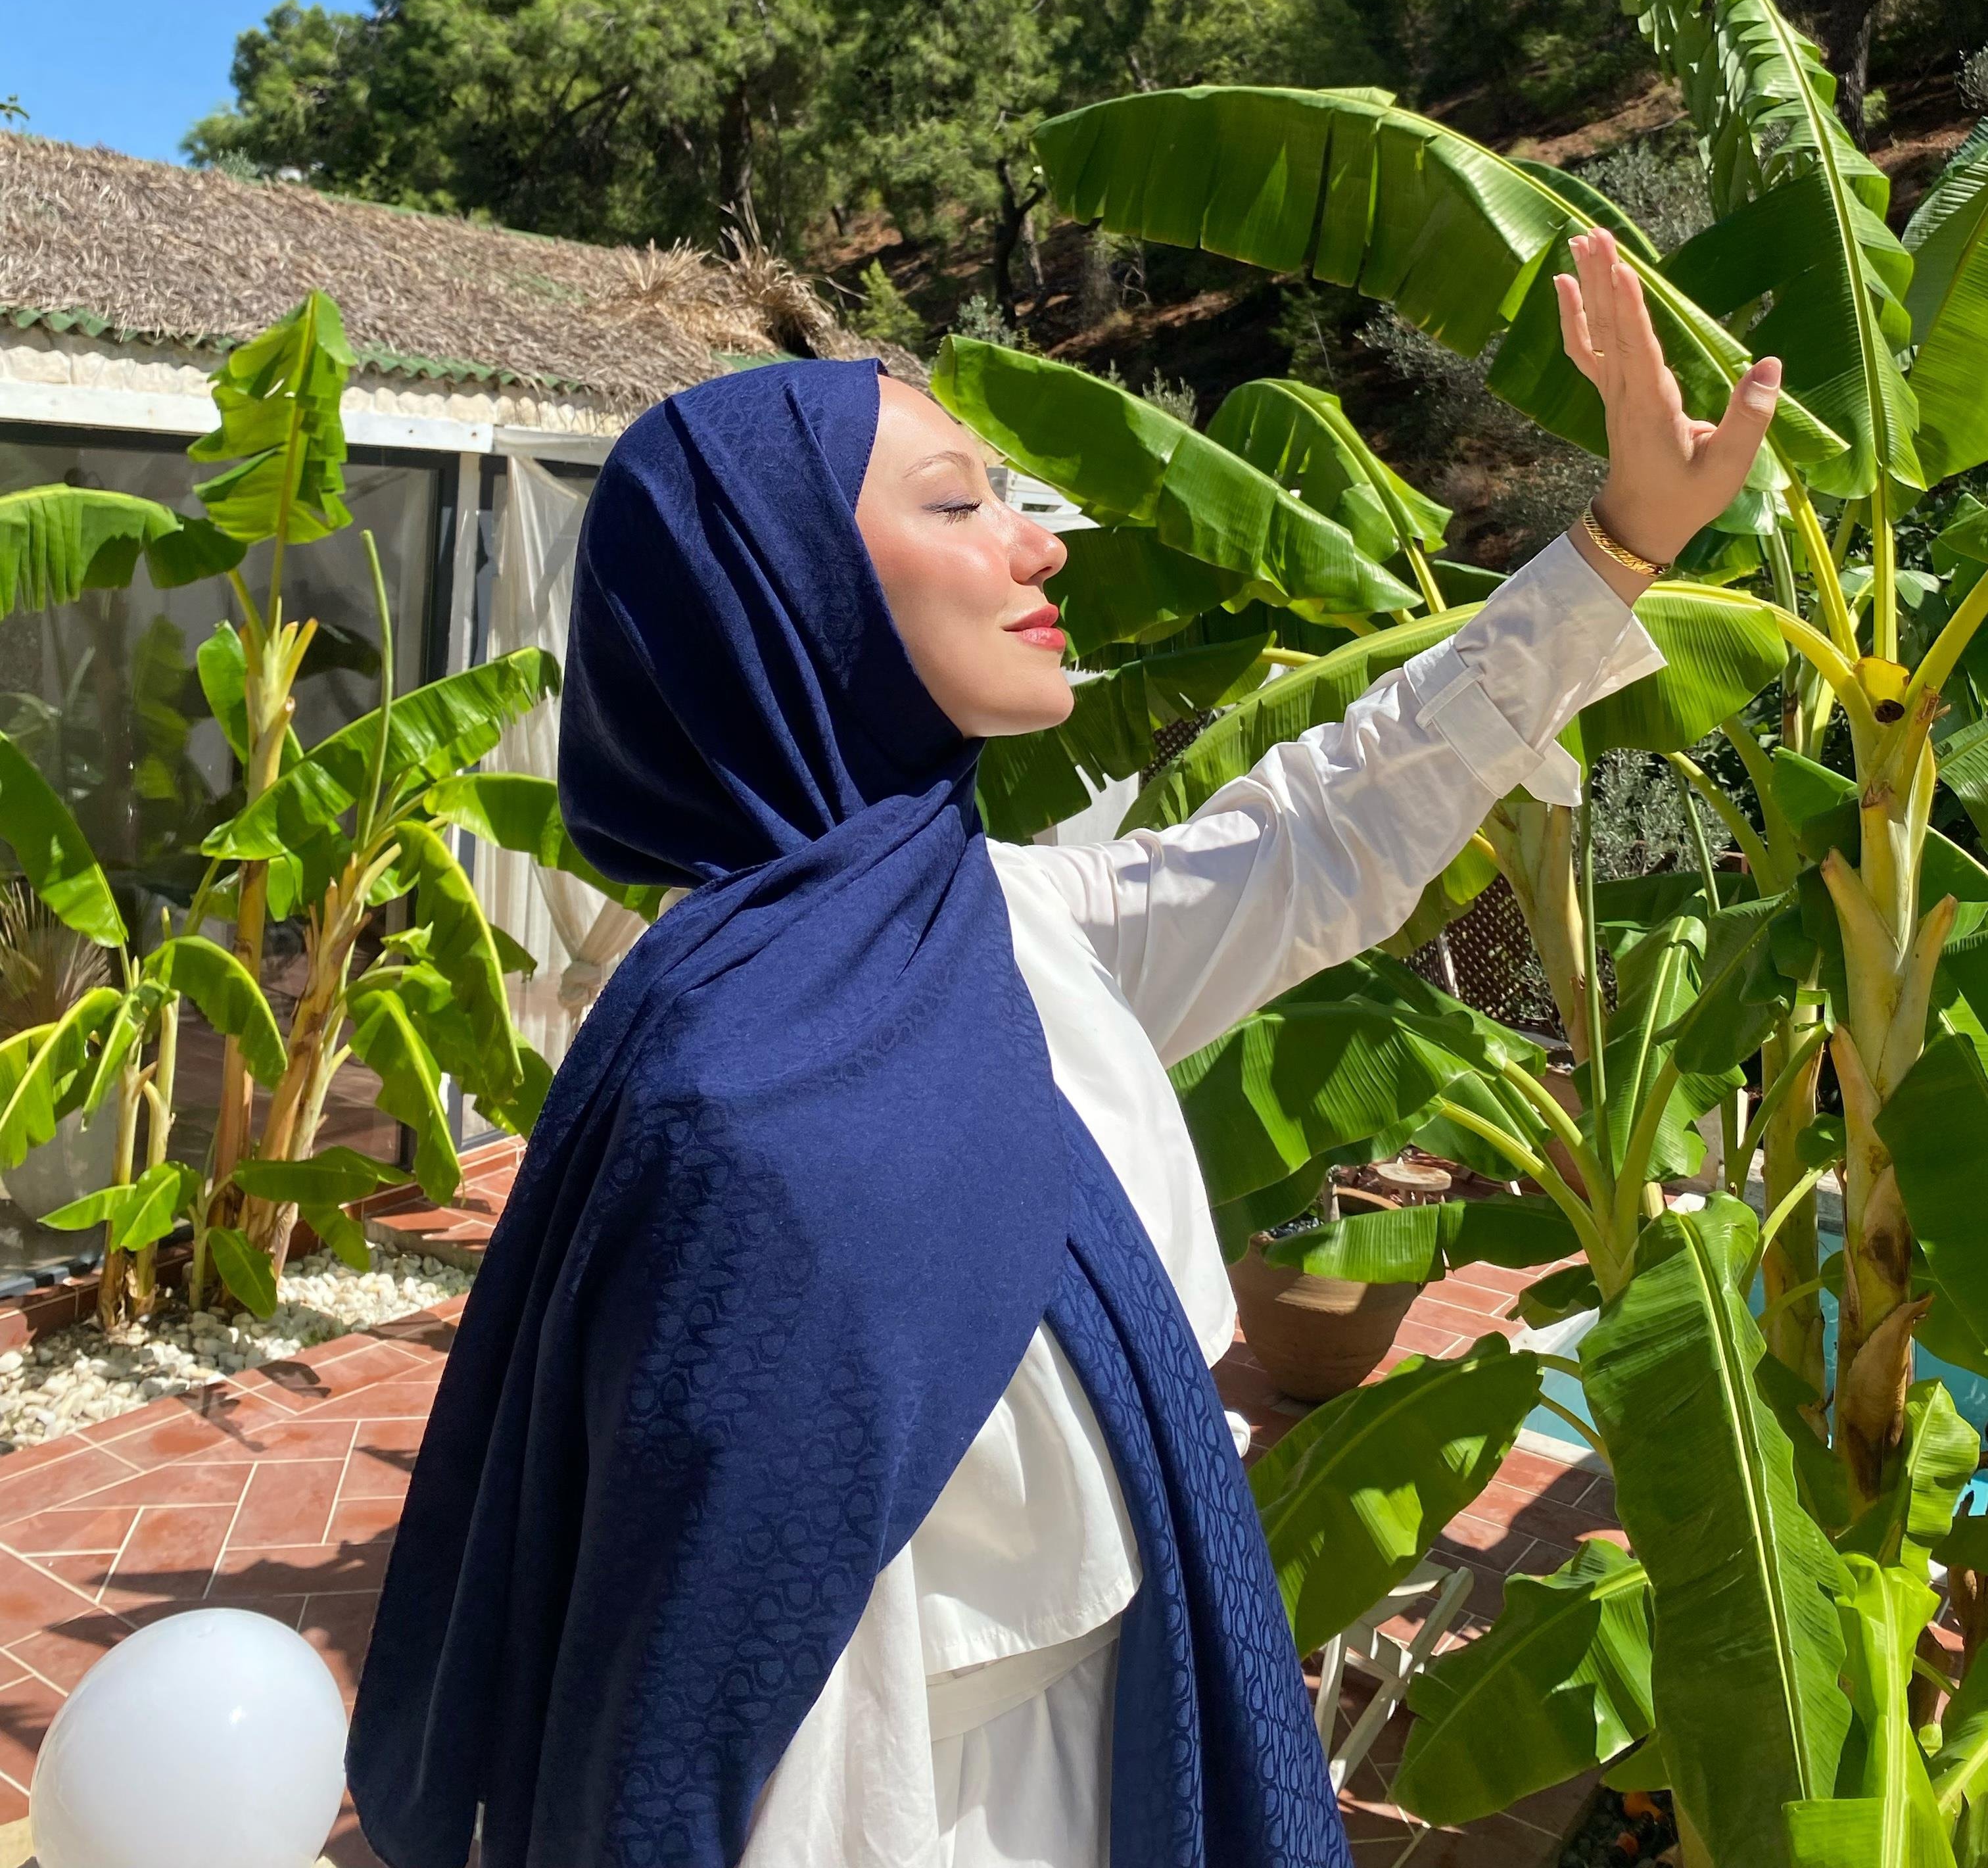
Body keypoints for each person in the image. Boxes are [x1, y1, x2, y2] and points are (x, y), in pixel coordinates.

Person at [346, 229, 1782, 1868]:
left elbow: (1319, 832)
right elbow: (757, 1730)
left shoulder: (989, 926)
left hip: (1119, 1756)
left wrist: (1615, 548)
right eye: (958, 504)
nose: (1039, 544)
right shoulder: (749, 1117)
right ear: (791, 596)